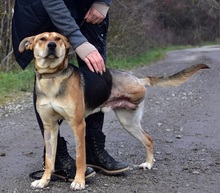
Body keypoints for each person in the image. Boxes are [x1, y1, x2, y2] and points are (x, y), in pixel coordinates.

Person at [12, 0, 129, 180]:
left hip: (89, 8)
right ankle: (57, 158)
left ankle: (93, 149)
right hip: (45, 7)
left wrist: (104, 2)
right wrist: (77, 39)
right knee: (48, 73)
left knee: (97, 73)